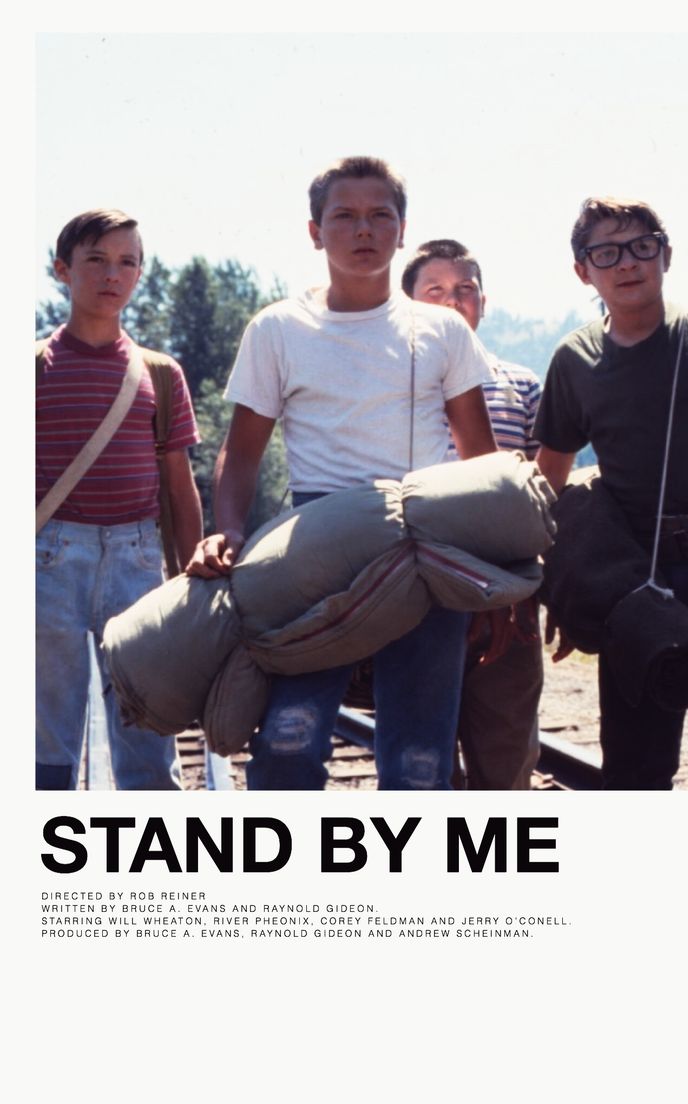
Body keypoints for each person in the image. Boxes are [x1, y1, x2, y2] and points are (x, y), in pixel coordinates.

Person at [187, 156, 496, 790]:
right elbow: (241, 451)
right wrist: (229, 531)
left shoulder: (441, 331)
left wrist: (492, 572)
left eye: (380, 215)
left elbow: (481, 462)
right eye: (345, 216)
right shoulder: (278, 328)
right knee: (286, 746)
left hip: (426, 545)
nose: (363, 231)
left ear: (402, 229)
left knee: (420, 761)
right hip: (314, 551)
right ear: (314, 231)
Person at [534, 197, 688, 789]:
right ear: (584, 269)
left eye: (641, 247)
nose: (627, 264)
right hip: (639, 580)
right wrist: (553, 579)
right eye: (607, 252)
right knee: (637, 764)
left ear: (665, 254)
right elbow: (548, 479)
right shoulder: (575, 361)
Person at [36, 208, 203, 790]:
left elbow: (179, 487)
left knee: (147, 725)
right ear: (63, 270)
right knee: (44, 737)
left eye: (126, 262)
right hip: (46, 561)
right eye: (96, 261)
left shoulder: (160, 374)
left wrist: (190, 579)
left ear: (139, 274)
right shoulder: (30, 369)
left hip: (137, 561)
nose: (112, 274)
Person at [402, 239, 543, 789]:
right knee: (421, 757)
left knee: (506, 746)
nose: (452, 302)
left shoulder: (523, 385)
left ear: (483, 303)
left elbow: (536, 494)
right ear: (408, 303)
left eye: (465, 291)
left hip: (508, 590)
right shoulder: (390, 387)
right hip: (415, 592)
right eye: (434, 291)